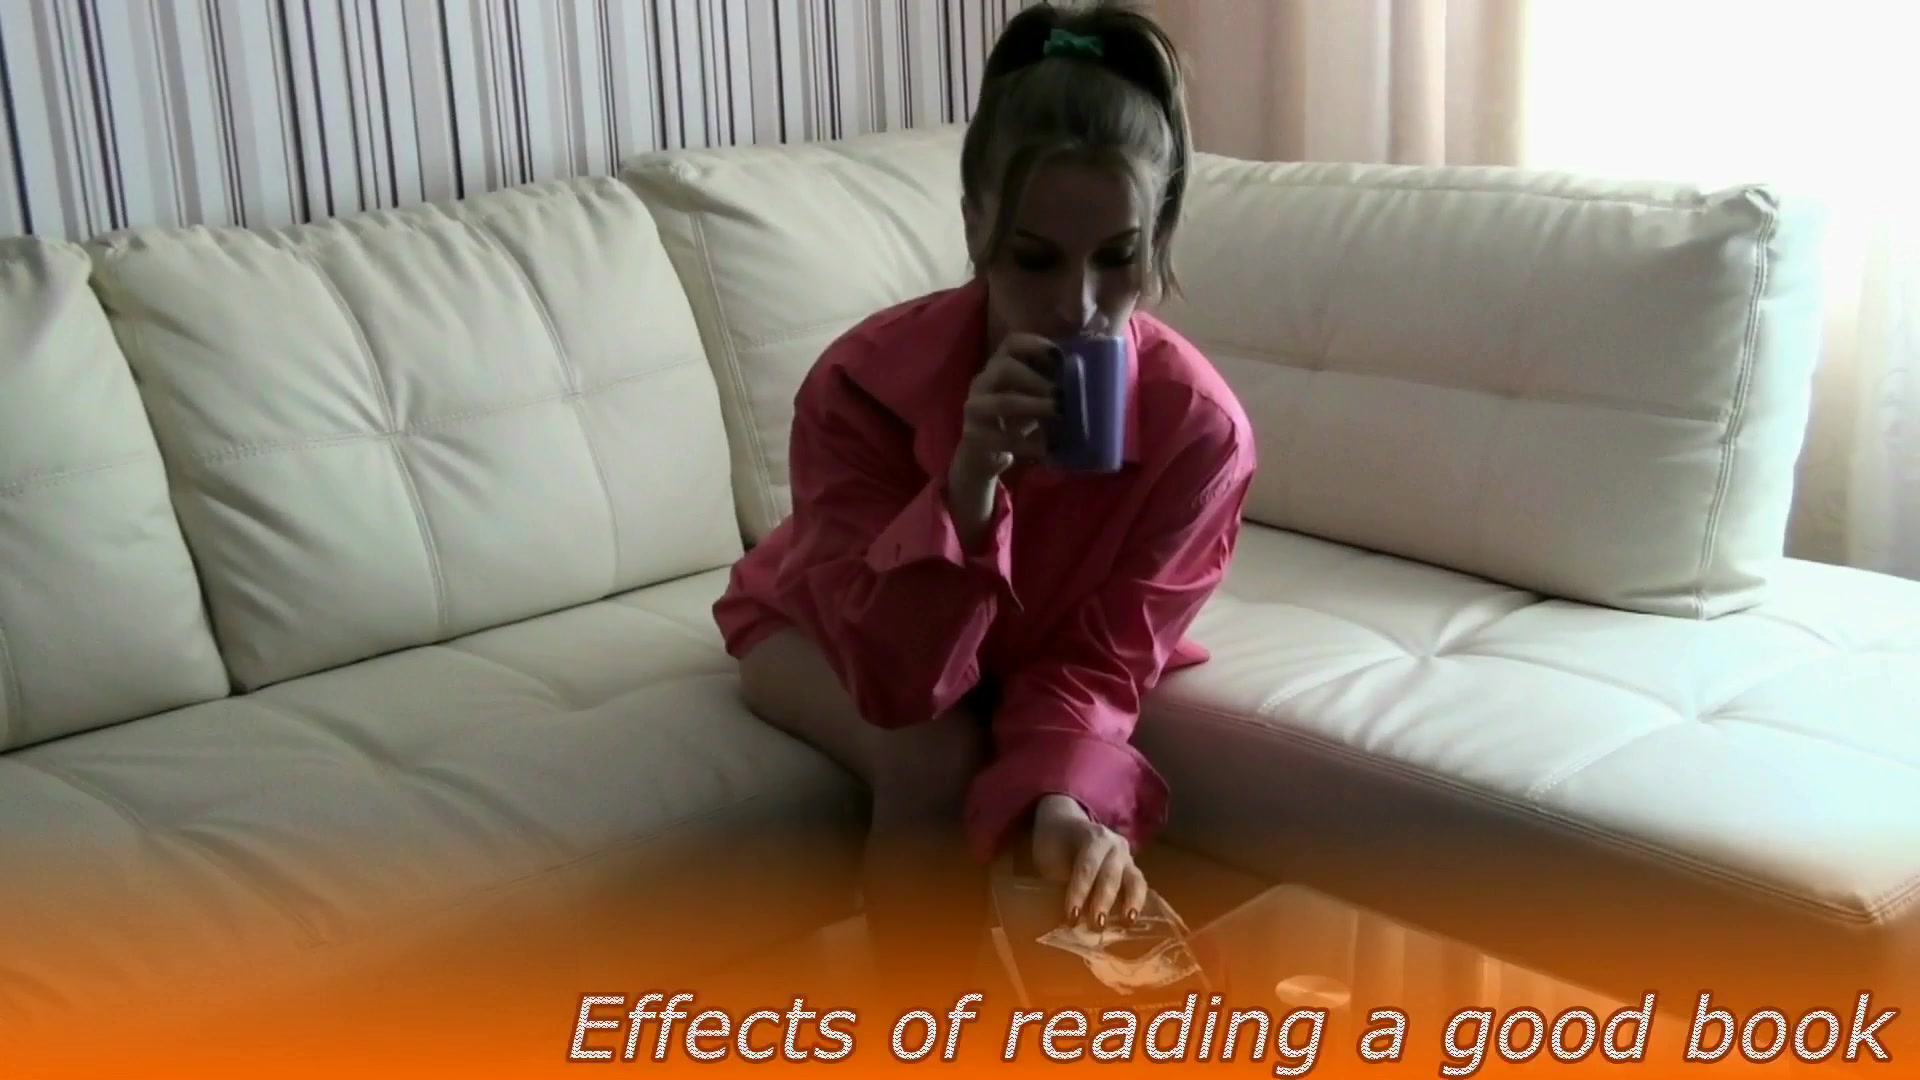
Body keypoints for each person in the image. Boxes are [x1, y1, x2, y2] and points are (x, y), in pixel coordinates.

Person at [712, 0, 1254, 991]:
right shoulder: (862, 386)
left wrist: (1063, 797)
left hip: (1030, 649)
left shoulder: (1199, 433)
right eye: (1034, 258)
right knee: (935, 760)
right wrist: (966, 485)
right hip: (828, 627)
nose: (1079, 308)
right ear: (974, 225)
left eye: (1118, 258)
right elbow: (892, 679)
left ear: (1160, 237)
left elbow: (1105, 658)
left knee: (1064, 821)